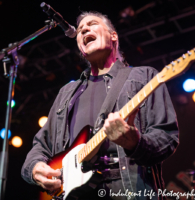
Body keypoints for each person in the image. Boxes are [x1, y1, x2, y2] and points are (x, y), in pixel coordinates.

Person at [21, 11, 179, 200]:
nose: (84, 29)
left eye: (92, 24)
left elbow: (167, 136)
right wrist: (34, 168)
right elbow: (41, 146)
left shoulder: (143, 77)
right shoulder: (66, 93)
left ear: (113, 36)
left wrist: (135, 143)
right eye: (79, 30)